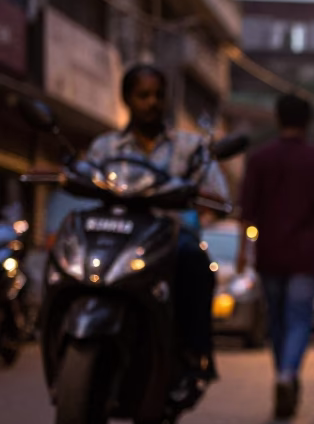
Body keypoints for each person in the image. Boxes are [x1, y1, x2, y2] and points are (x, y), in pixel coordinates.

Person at [87, 64, 225, 400]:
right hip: (116, 235)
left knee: (196, 262)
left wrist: (201, 196)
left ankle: (195, 354)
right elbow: (84, 181)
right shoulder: (105, 147)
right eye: (143, 95)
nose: (152, 102)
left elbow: (218, 195)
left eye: (159, 95)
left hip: (169, 236)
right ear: (127, 99)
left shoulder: (190, 147)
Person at [239, 94, 314, 419]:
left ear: (277, 118)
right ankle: (287, 374)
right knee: (298, 318)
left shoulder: (260, 158)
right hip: (306, 255)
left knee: (277, 319)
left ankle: (283, 373)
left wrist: (242, 251)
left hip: (270, 252)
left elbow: (247, 211)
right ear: (307, 122)